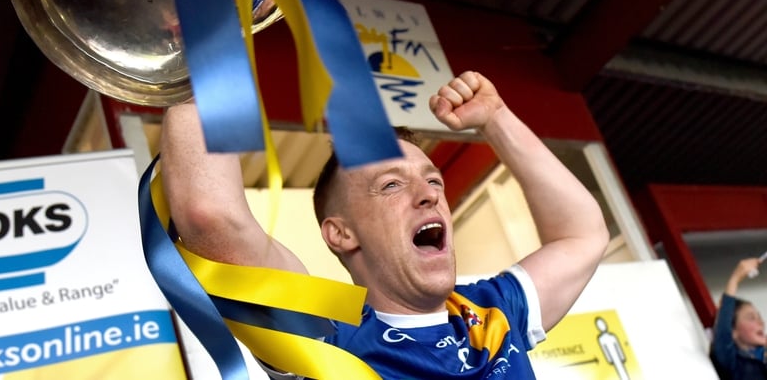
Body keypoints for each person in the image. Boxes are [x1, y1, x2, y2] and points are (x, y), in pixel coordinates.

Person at [159, 70, 610, 379]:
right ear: (341, 233)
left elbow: (583, 235)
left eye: (433, 179)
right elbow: (210, 215)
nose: (429, 194)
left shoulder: (493, 310)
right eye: (391, 185)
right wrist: (207, 44)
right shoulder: (331, 337)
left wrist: (495, 119)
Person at [710, 257, 767, 380]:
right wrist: (735, 278)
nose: (761, 322)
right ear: (733, 332)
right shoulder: (732, 362)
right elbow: (723, 332)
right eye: (751, 318)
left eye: (759, 317)